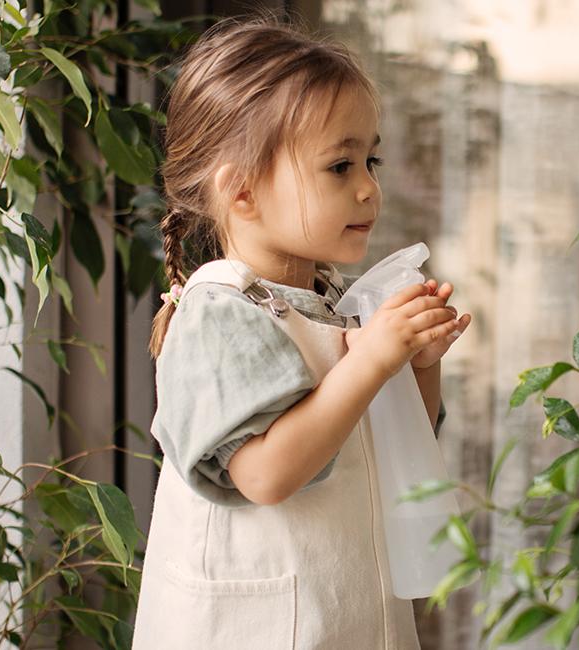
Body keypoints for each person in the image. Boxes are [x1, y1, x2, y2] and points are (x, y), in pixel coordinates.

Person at [131, 16, 472, 649]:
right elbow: (264, 475)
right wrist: (369, 361)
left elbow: (399, 443)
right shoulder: (221, 312)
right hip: (256, 628)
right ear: (243, 193)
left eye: (370, 159)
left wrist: (418, 366)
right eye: (340, 166)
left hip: (345, 612)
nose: (369, 188)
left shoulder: (332, 300)